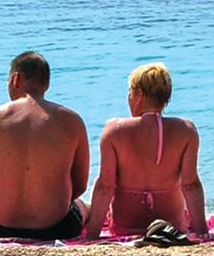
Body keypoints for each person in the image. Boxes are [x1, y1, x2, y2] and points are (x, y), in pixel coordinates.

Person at [0, 51, 89, 240]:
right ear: (47, 84)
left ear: (15, 79)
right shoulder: (72, 121)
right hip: (58, 228)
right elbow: (80, 185)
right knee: (83, 206)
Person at [87, 62, 207, 239]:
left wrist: (91, 235)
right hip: (172, 226)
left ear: (138, 94)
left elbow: (105, 187)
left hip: (126, 227)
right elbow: (191, 185)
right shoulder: (186, 130)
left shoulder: (114, 130)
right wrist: (203, 232)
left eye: (130, 92)